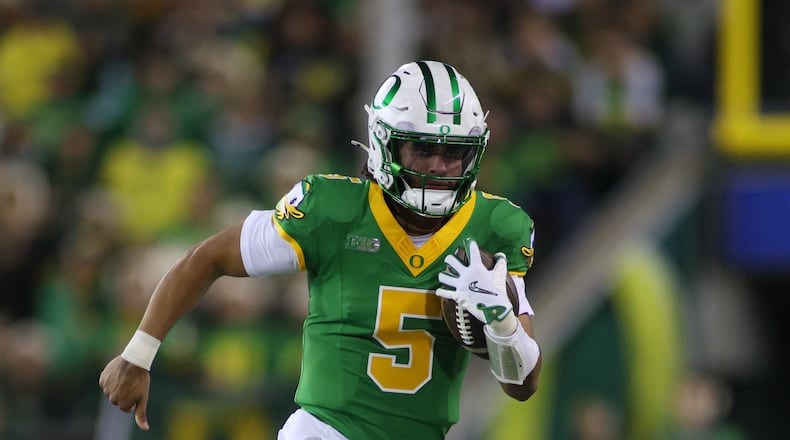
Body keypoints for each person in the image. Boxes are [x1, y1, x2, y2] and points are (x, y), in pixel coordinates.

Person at [99, 60, 542, 439]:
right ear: (387, 145)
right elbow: (208, 256)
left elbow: (522, 385)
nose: (439, 166)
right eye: (423, 149)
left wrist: (501, 321)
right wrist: (138, 354)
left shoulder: (496, 228)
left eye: (453, 152)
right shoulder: (331, 209)